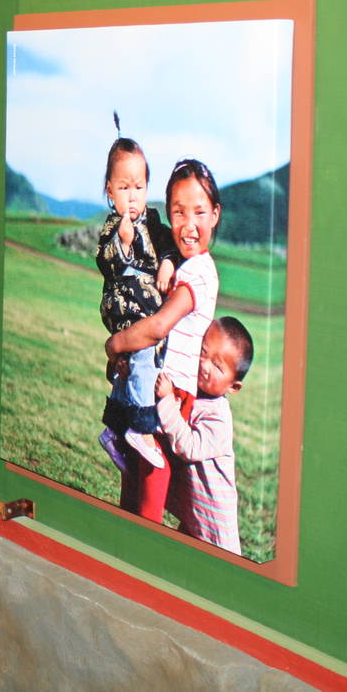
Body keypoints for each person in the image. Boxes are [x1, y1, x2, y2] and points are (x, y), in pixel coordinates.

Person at [104, 158, 223, 523]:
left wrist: (116, 345)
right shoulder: (183, 264)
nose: (188, 225)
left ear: (215, 215)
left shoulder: (200, 274)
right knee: (136, 468)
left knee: (152, 475)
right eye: (178, 212)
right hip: (153, 383)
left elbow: (158, 326)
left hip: (173, 391)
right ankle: (128, 536)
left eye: (199, 212)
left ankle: (143, 539)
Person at [94, 133, 176, 472]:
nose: (132, 196)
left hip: (147, 307)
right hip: (125, 308)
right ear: (110, 192)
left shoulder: (154, 220)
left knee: (128, 373)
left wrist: (168, 261)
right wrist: (123, 243)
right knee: (142, 358)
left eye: (139, 187)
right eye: (124, 188)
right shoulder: (113, 226)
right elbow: (105, 261)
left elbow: (167, 243)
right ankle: (141, 428)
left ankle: (113, 429)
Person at [153, 315, 252, 553]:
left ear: (233, 386)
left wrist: (166, 400)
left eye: (217, 366)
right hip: (195, 518)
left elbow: (189, 447)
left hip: (216, 530)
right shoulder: (194, 391)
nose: (204, 365)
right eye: (203, 352)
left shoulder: (218, 417)